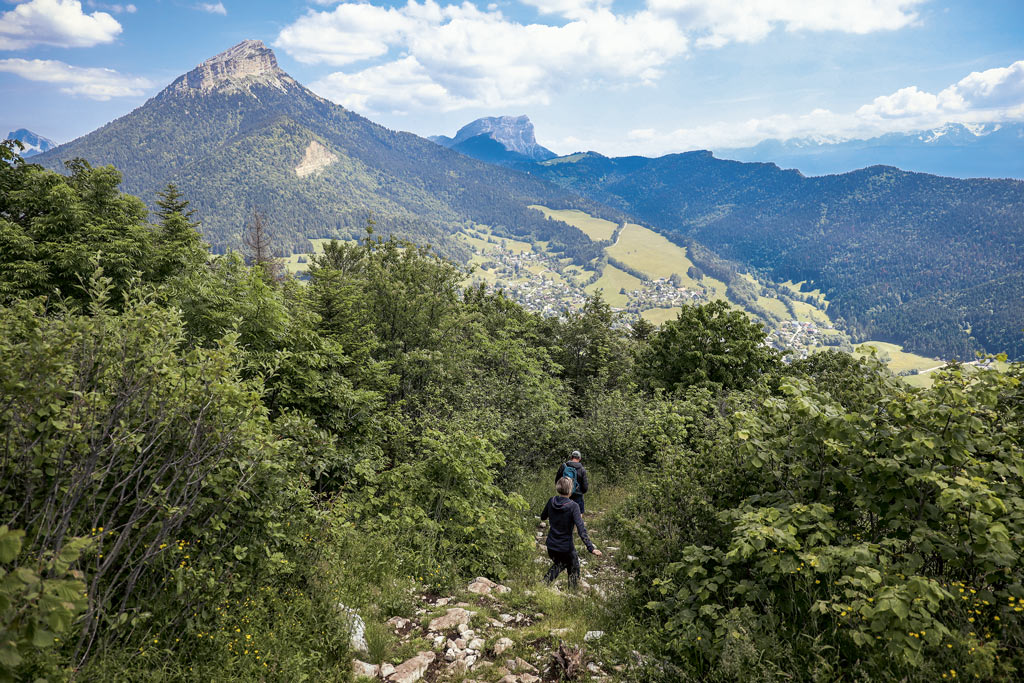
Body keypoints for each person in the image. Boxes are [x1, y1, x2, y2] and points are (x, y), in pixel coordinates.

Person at [541, 476, 601, 590]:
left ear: (558, 488)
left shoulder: (551, 501)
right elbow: (581, 528)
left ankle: (545, 586)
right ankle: (569, 593)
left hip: (551, 545)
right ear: (570, 490)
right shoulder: (573, 506)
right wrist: (591, 548)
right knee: (572, 566)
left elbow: (543, 517)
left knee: (564, 564)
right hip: (565, 547)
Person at [555, 450, 589, 515]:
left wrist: (561, 490)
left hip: (565, 493)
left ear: (571, 457)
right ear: (580, 458)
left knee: (564, 512)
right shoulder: (582, 469)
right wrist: (581, 492)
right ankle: (576, 524)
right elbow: (585, 487)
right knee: (579, 513)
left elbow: (557, 480)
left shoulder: (564, 466)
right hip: (577, 495)